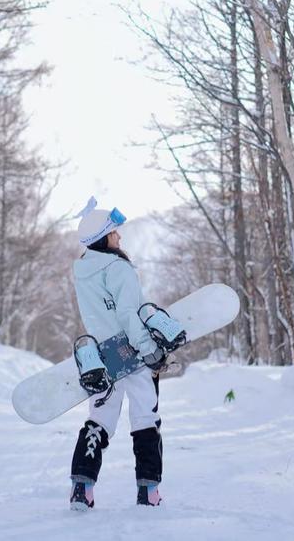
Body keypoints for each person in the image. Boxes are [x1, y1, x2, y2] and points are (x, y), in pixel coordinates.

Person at [69, 196, 166, 511]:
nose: (119, 236)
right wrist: (149, 348)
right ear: (103, 237)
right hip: (132, 354)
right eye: (115, 231)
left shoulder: (83, 271)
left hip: (102, 358)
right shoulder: (118, 268)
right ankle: (148, 491)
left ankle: (82, 489)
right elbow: (128, 314)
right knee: (145, 417)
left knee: (99, 419)